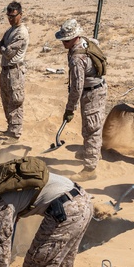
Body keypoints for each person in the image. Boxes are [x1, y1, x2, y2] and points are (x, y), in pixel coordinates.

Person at [56, 19, 106, 179]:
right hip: (97, 90)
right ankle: (93, 152)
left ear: (74, 37)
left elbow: (77, 87)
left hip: (91, 93)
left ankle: (90, 169)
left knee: (91, 130)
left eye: (66, 40)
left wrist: (70, 109)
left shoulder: (77, 59)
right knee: (94, 125)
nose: (63, 42)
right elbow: (95, 41)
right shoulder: (86, 41)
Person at [0, 1, 28, 140]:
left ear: (20, 15)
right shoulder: (10, 30)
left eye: (13, 16)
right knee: (6, 101)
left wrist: (1, 47)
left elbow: (8, 53)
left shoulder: (21, 32)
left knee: (15, 102)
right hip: (5, 70)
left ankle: (15, 133)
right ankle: (10, 128)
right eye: (9, 16)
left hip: (15, 72)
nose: (11, 19)